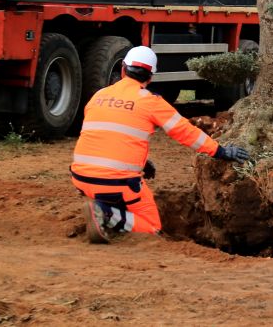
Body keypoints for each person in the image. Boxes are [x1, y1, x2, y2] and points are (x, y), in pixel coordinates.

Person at [71, 45, 251, 243]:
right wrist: (220, 151)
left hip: (81, 178)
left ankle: (104, 208)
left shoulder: (99, 95)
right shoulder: (150, 102)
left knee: (114, 189)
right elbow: (185, 132)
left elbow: (106, 137)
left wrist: (142, 162)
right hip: (117, 184)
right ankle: (105, 214)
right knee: (151, 225)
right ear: (150, 77)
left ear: (123, 68)